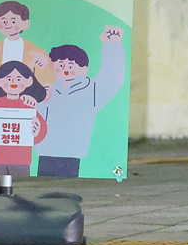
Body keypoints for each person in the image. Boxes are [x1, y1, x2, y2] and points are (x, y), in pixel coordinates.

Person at [36, 27, 128, 178]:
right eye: (60, 64)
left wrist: (112, 45)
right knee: (43, 185)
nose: (65, 68)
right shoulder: (49, 89)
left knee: (67, 186)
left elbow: (112, 78)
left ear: (84, 69)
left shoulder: (91, 90)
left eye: (71, 65)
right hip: (46, 150)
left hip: (72, 152)